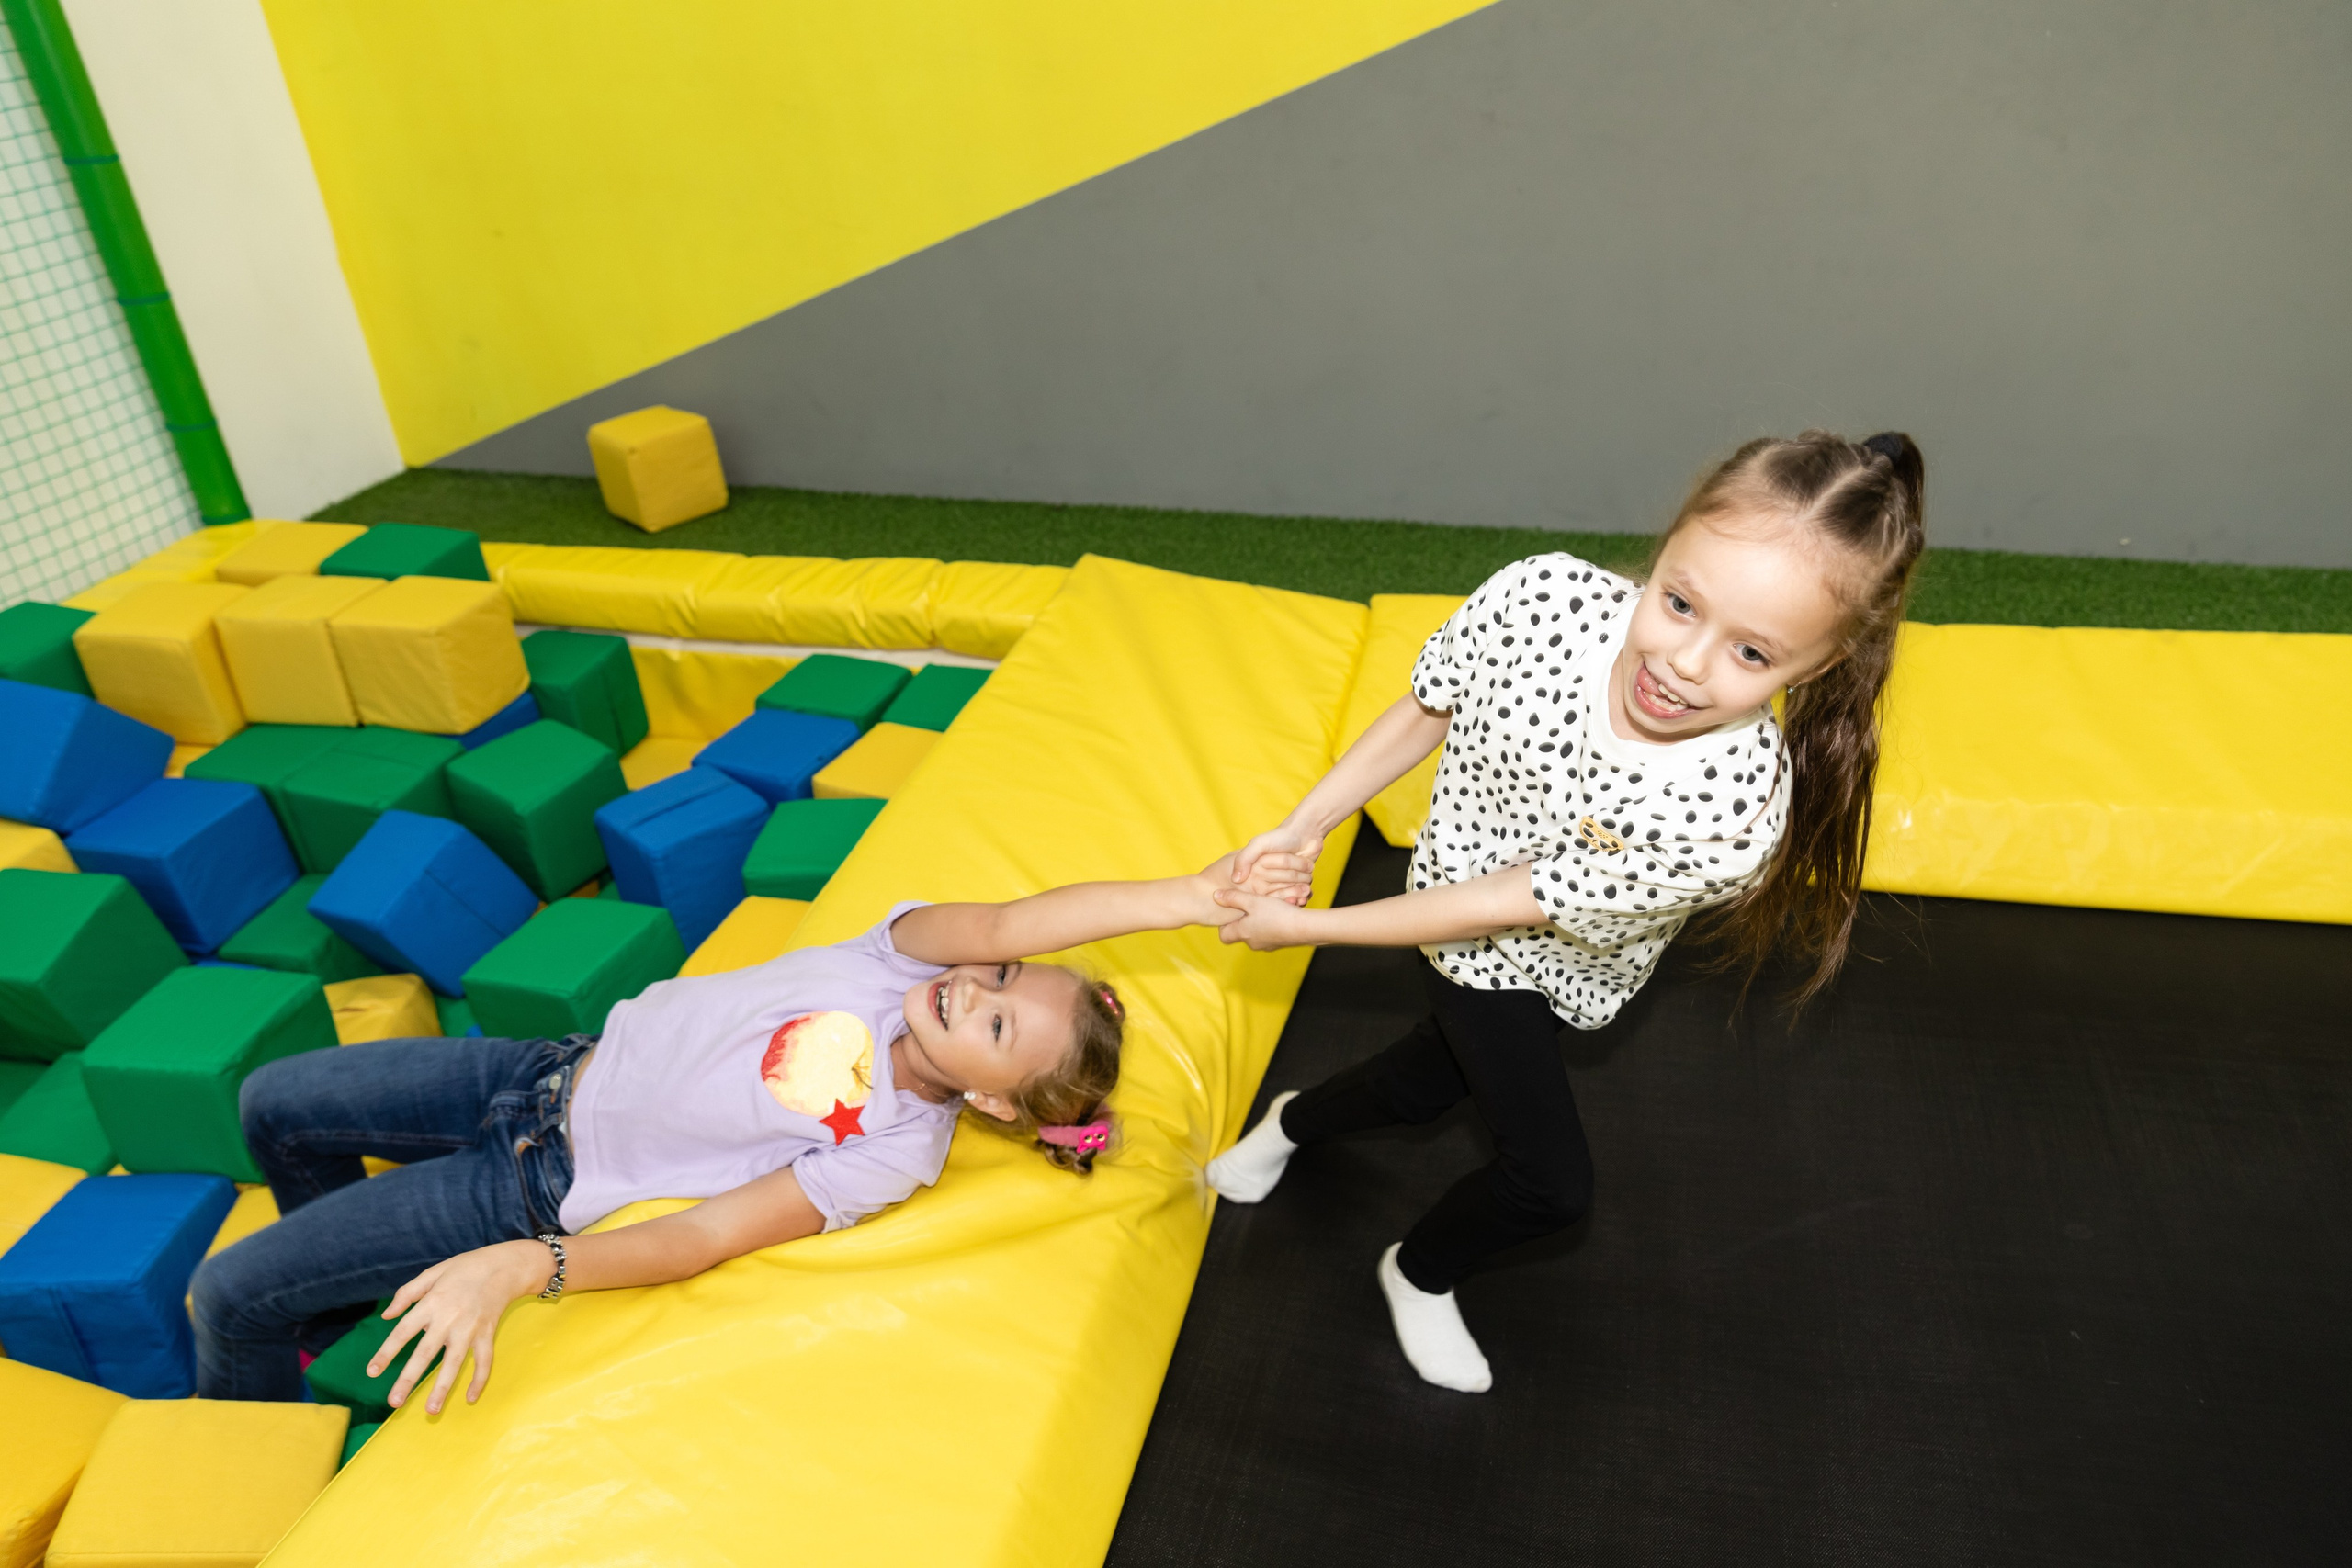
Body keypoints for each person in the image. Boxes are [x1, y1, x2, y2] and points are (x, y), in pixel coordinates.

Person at [1205, 431, 1928, 1393]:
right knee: (1549, 1185)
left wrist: (1306, 928)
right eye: (1678, 603)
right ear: (1663, 550)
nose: (1683, 664)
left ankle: (1289, 1125)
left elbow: (1522, 900)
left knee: (1426, 1082)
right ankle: (1419, 1269)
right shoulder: (1542, 600)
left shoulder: (1732, 808)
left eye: (1751, 652)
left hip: (1559, 952)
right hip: (1464, 927)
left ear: (1819, 664)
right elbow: (1428, 708)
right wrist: (1301, 828)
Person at [192, 857, 1270, 1414]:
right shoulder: (894, 959)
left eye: (997, 1027)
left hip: (532, 1188)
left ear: (995, 1103)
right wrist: (1186, 895)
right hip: (534, 1071)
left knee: (228, 1295)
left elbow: (702, 1237)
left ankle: (248, 1427)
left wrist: (530, 1263)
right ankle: (333, 1306)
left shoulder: (895, 1149)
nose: (974, 989)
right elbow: (1004, 923)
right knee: (270, 1104)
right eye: (999, 979)